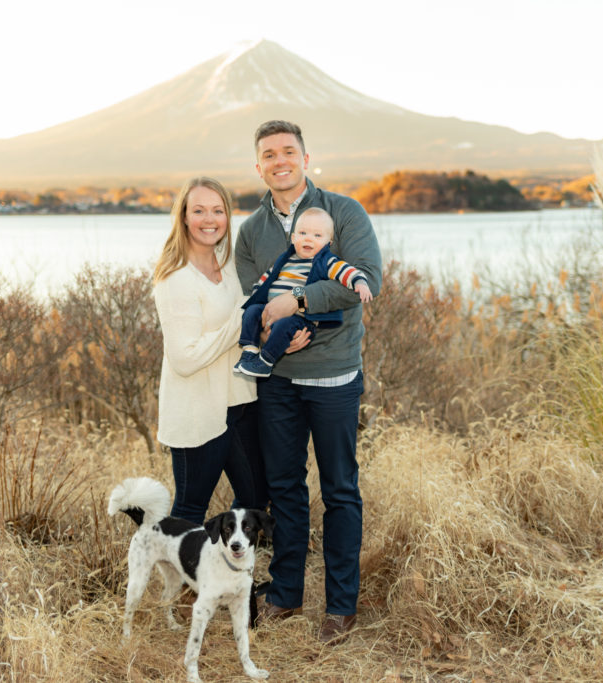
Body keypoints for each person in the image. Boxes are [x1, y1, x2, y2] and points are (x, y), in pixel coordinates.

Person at [234, 120, 382, 644]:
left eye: (288, 151)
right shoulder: (252, 230)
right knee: (285, 487)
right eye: (269, 154)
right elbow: (253, 295)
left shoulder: (343, 211)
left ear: (305, 157)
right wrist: (273, 326)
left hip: (335, 376)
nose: (280, 160)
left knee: (340, 489)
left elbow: (366, 278)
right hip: (276, 379)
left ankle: (341, 606)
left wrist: (298, 304)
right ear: (259, 166)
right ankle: (286, 593)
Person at [152, 176, 268, 525]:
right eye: (199, 210)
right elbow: (185, 359)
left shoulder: (230, 264)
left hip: (239, 402)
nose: (209, 219)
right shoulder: (175, 278)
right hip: (197, 407)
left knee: (255, 496)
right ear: (184, 216)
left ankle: (223, 568)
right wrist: (242, 320)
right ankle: (181, 579)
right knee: (190, 508)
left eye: (218, 210)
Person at [235, 207, 373, 378]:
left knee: (283, 326)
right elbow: (267, 278)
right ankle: (249, 351)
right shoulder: (286, 260)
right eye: (302, 233)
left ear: (328, 243)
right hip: (270, 308)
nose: (309, 238)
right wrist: (258, 294)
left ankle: (265, 362)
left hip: (301, 313)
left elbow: (346, 271)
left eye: (317, 236)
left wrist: (359, 282)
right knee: (251, 311)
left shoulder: (325, 261)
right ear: (293, 238)